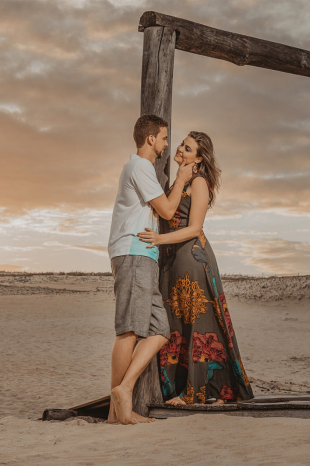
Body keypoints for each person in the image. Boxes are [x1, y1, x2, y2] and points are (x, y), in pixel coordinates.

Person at [137, 131, 254, 405]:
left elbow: (194, 228)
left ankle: (202, 392)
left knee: (199, 328)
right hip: (172, 263)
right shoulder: (178, 181)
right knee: (177, 325)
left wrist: (159, 239)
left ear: (198, 158)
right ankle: (177, 390)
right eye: (181, 143)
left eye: (187, 148)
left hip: (192, 260)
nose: (179, 149)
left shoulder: (199, 182)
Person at [107, 114, 194, 424]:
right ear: (150, 139)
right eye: (165, 138)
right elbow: (168, 210)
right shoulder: (140, 167)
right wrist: (182, 180)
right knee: (129, 331)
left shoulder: (139, 169)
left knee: (159, 329)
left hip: (143, 255)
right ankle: (118, 413)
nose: (167, 144)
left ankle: (123, 393)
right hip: (134, 252)